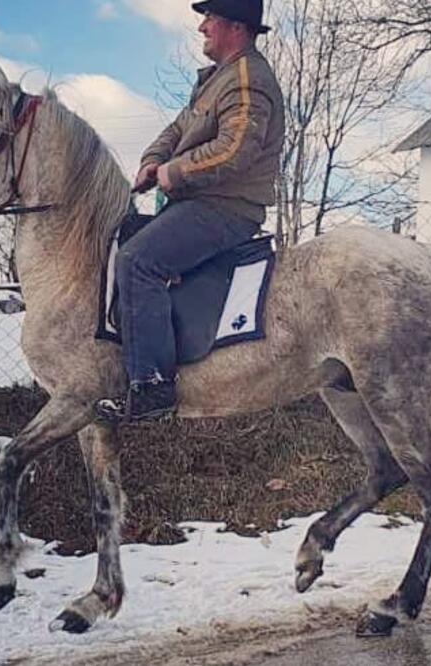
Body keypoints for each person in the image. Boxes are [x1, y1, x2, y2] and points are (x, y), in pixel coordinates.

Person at [96, 0, 285, 423]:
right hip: (200, 201)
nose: (201, 27)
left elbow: (235, 151)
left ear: (235, 27)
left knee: (138, 260)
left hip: (225, 208)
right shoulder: (216, 80)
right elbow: (179, 129)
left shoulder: (247, 80)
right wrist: (152, 159)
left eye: (210, 19)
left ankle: (152, 387)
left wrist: (173, 173)